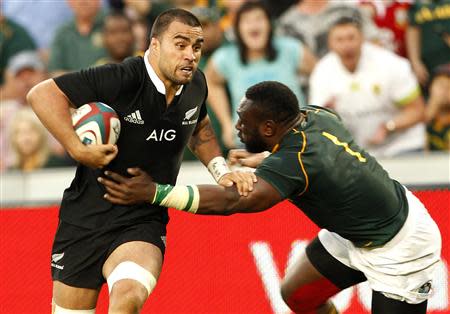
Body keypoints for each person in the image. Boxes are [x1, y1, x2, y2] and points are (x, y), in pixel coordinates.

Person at [98, 81, 442, 314]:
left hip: (401, 248)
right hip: (357, 230)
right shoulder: (315, 115)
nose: (236, 129)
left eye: (242, 122)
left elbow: (235, 201)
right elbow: (311, 160)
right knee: (297, 296)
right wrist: (263, 159)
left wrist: (154, 192)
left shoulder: (295, 161)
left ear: (268, 129)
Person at [27, 8, 255, 313]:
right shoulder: (121, 77)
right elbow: (42, 94)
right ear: (155, 44)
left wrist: (221, 171)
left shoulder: (196, 85)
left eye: (197, 47)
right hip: (84, 220)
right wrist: (76, 147)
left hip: (142, 220)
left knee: (128, 297)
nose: (190, 55)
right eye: (180, 44)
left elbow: (199, 128)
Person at [309, 17, 425, 157]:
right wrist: (328, 114)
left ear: (362, 39)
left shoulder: (391, 64)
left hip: (401, 145)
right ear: (330, 44)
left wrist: (389, 126)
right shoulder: (322, 71)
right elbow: (315, 123)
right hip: (354, 152)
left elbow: (417, 110)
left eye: (351, 38)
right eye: (339, 40)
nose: (347, 45)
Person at [206, 0, 316, 149]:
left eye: (259, 19)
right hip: (247, 145)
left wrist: (314, 114)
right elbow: (211, 82)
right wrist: (226, 123)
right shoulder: (226, 58)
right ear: (237, 29)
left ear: (270, 25)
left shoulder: (290, 49)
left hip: (295, 143)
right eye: (247, 21)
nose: (254, 25)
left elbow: (321, 73)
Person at [48, 0, 107, 77]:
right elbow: (55, 72)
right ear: (69, 2)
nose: (83, 2)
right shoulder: (63, 33)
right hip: (71, 88)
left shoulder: (114, 24)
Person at [7, 108, 71, 172]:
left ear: (41, 134)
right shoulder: (12, 171)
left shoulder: (56, 165)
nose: (26, 138)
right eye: (20, 133)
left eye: (31, 131)